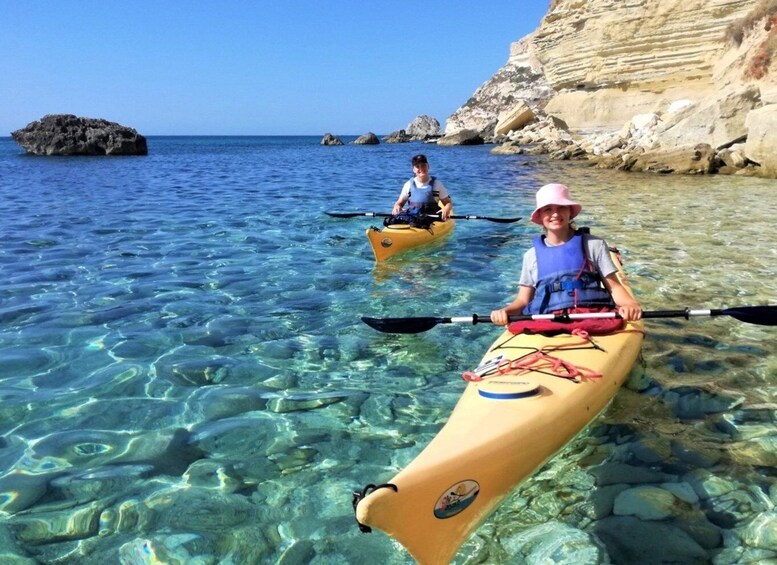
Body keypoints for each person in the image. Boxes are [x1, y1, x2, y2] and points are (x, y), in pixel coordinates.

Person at [490, 183, 642, 325]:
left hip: (591, 315)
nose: (555, 214)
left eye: (561, 207)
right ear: (540, 216)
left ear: (570, 212)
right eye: (548, 209)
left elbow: (614, 288)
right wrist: (505, 311)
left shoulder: (593, 245)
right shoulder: (531, 256)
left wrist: (630, 304)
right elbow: (523, 300)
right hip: (548, 319)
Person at [391, 154, 453, 222]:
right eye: (417, 166)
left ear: (428, 166)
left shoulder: (437, 184)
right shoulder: (408, 185)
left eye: (423, 165)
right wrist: (397, 206)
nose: (421, 168)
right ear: (414, 170)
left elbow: (448, 203)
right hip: (413, 220)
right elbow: (400, 203)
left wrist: (446, 208)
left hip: (432, 220)